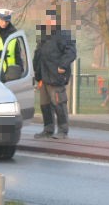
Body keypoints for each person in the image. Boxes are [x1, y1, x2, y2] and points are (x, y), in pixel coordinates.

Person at [33, 9, 76, 139]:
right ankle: (48, 129)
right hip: (43, 77)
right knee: (45, 105)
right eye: (48, 19)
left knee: (59, 103)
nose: (49, 22)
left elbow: (71, 52)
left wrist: (62, 66)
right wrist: (37, 73)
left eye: (52, 20)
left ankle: (63, 130)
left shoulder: (64, 35)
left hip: (56, 76)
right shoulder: (43, 36)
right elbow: (38, 55)